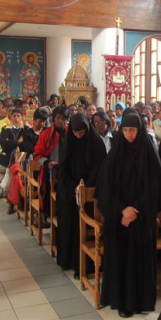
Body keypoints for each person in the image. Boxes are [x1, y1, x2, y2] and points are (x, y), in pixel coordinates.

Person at [95, 112, 161, 318]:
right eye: (125, 130)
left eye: (133, 130)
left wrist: (135, 211)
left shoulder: (149, 153)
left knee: (140, 259)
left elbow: (154, 188)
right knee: (121, 258)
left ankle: (141, 300)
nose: (129, 135)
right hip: (119, 219)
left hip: (142, 218)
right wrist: (122, 209)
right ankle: (122, 302)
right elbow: (106, 189)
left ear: (140, 130)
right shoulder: (115, 155)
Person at [56, 114, 107, 277]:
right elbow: (63, 168)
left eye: (81, 133)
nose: (78, 136)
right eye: (75, 133)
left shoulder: (96, 143)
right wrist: (74, 187)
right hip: (70, 192)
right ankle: (69, 260)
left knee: (88, 226)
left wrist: (86, 186)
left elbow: (100, 168)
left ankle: (86, 264)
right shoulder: (68, 142)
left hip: (90, 191)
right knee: (69, 222)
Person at [33, 106, 69, 225]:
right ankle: (45, 213)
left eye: (63, 118)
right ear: (53, 118)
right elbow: (37, 155)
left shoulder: (70, 133)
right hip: (50, 169)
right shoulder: (46, 134)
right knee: (47, 189)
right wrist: (48, 163)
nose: (60, 121)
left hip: (67, 169)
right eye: (58, 118)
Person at [0, 109, 29, 212]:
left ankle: (19, 202)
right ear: (11, 117)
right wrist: (17, 142)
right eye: (14, 116)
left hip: (22, 158)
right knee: (10, 180)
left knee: (20, 179)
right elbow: (3, 144)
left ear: (21, 117)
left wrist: (11, 142)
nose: (16, 118)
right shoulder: (6, 129)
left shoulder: (25, 129)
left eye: (18, 116)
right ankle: (10, 202)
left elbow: (26, 143)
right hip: (8, 158)